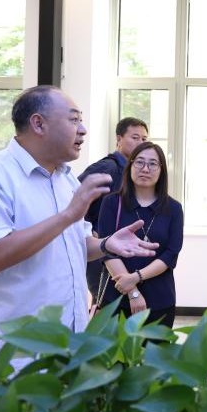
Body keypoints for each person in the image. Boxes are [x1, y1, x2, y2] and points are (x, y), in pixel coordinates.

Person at [0, 85, 157, 364]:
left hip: (68, 344)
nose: (83, 130)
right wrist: (68, 215)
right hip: (14, 353)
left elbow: (77, 244)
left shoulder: (65, 178)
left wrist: (106, 244)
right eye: (74, 120)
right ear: (38, 124)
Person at [97, 142, 184, 328]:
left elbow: (170, 254)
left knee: (155, 348)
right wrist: (133, 291)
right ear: (130, 166)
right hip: (116, 299)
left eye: (153, 163)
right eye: (139, 162)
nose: (145, 169)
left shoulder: (174, 209)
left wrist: (136, 277)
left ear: (162, 170)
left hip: (160, 299)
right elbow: (107, 250)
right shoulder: (112, 203)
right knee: (115, 348)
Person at [78, 117, 149, 296]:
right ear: (119, 139)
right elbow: (73, 197)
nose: (141, 143)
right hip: (101, 252)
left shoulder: (131, 172)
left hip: (120, 250)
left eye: (144, 139)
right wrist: (89, 230)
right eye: (135, 137)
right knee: (107, 304)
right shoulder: (108, 167)